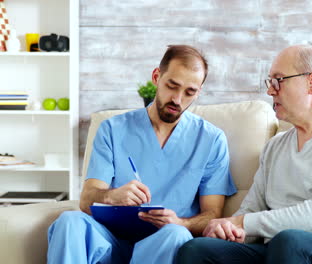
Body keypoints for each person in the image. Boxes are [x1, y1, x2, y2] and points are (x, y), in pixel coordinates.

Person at [176, 45, 312, 264]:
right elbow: (251, 210)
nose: (270, 91)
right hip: (280, 250)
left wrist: (243, 223)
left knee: (289, 242)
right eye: (270, 82)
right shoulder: (275, 147)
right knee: (197, 249)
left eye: (279, 80)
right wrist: (231, 229)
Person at [47, 45, 237, 264]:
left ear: (198, 92)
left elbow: (213, 214)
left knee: (176, 234)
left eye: (189, 92)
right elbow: (87, 199)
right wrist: (112, 195)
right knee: (70, 221)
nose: (177, 99)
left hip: (164, 244)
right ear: (157, 77)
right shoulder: (113, 129)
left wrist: (180, 222)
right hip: (110, 241)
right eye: (172, 86)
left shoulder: (211, 140)